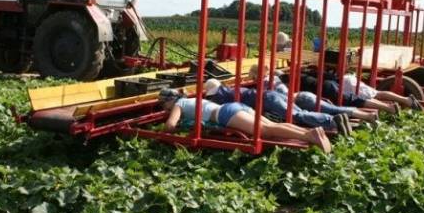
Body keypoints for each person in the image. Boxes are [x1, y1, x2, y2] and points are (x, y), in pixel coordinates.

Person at [157, 88, 332, 153]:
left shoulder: (179, 104)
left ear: (169, 100)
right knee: (272, 125)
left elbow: (170, 125)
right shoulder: (191, 100)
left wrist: (163, 135)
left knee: (264, 132)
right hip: (234, 107)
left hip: (225, 114)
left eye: (163, 105)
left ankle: (309, 136)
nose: (164, 108)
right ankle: (310, 132)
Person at [204, 78, 354, 136]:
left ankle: (332, 121)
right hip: (271, 95)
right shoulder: (229, 89)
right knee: (300, 113)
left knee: (297, 115)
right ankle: (335, 120)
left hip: (267, 99)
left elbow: (216, 111)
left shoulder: (218, 96)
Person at [248, 65, 380, 125]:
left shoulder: (266, 85)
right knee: (333, 109)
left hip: (300, 100)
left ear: (255, 76)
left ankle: (334, 122)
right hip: (304, 95)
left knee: (307, 116)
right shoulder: (276, 79)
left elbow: (282, 97)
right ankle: (367, 115)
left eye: (253, 78)